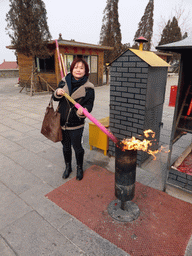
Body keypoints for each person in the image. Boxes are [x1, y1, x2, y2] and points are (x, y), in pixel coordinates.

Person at [52, 58, 95, 181]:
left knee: (77, 147)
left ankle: (80, 168)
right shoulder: (64, 82)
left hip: (76, 124)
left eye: (82, 68)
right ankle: (68, 167)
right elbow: (55, 98)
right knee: (65, 147)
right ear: (72, 69)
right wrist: (57, 92)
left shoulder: (89, 88)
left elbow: (90, 105)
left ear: (85, 71)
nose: (78, 70)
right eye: (76, 67)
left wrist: (84, 110)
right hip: (61, 122)